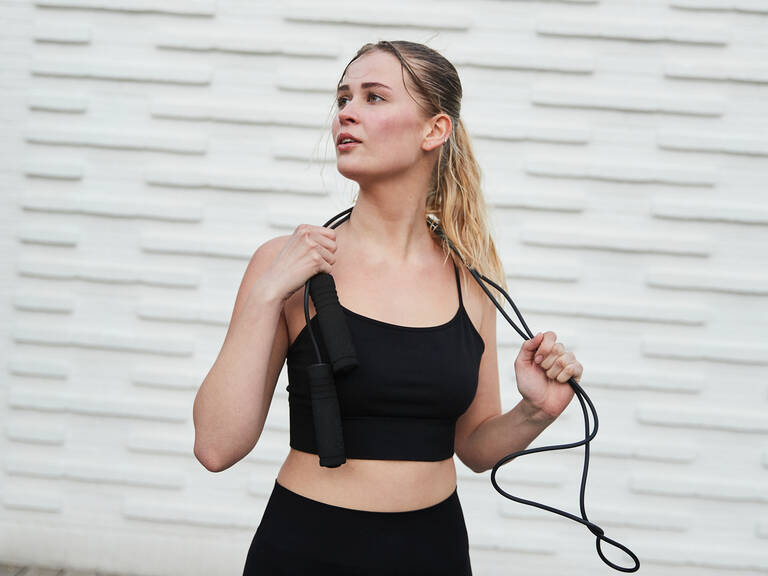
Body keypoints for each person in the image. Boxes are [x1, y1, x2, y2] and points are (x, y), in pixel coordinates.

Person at [192, 40, 583, 576]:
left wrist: (535, 412)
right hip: (305, 551)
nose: (346, 112)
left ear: (434, 130)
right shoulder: (285, 265)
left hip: (434, 554)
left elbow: (474, 449)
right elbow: (215, 448)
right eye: (343, 98)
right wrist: (267, 292)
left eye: (373, 97)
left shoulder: (471, 281)